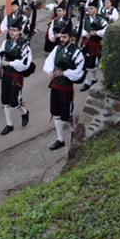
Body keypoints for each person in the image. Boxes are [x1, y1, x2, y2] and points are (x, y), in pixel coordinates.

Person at [43, 20, 85, 150]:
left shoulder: (77, 52)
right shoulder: (57, 48)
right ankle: (60, 139)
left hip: (66, 88)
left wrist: (65, 73)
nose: (61, 39)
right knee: (56, 113)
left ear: (71, 38)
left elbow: (79, 72)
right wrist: (50, 71)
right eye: (61, 36)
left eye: (64, 37)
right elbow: (49, 62)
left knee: (66, 114)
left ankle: (73, 129)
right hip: (55, 86)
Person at [0, 16, 32, 135]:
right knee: (5, 100)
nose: (12, 32)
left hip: (16, 76)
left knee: (14, 102)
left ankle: (24, 112)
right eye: (10, 30)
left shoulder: (25, 45)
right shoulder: (6, 42)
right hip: (6, 74)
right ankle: (9, 124)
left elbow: (25, 64)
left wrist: (10, 63)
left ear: (20, 31)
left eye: (14, 30)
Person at [80, 4, 108, 91]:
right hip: (86, 43)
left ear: (96, 9)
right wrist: (86, 34)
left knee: (93, 63)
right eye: (88, 8)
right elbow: (79, 29)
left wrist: (97, 33)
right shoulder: (85, 19)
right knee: (84, 63)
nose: (89, 10)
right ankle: (87, 82)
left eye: (91, 8)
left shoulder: (101, 20)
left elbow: (106, 29)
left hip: (96, 44)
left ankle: (94, 79)